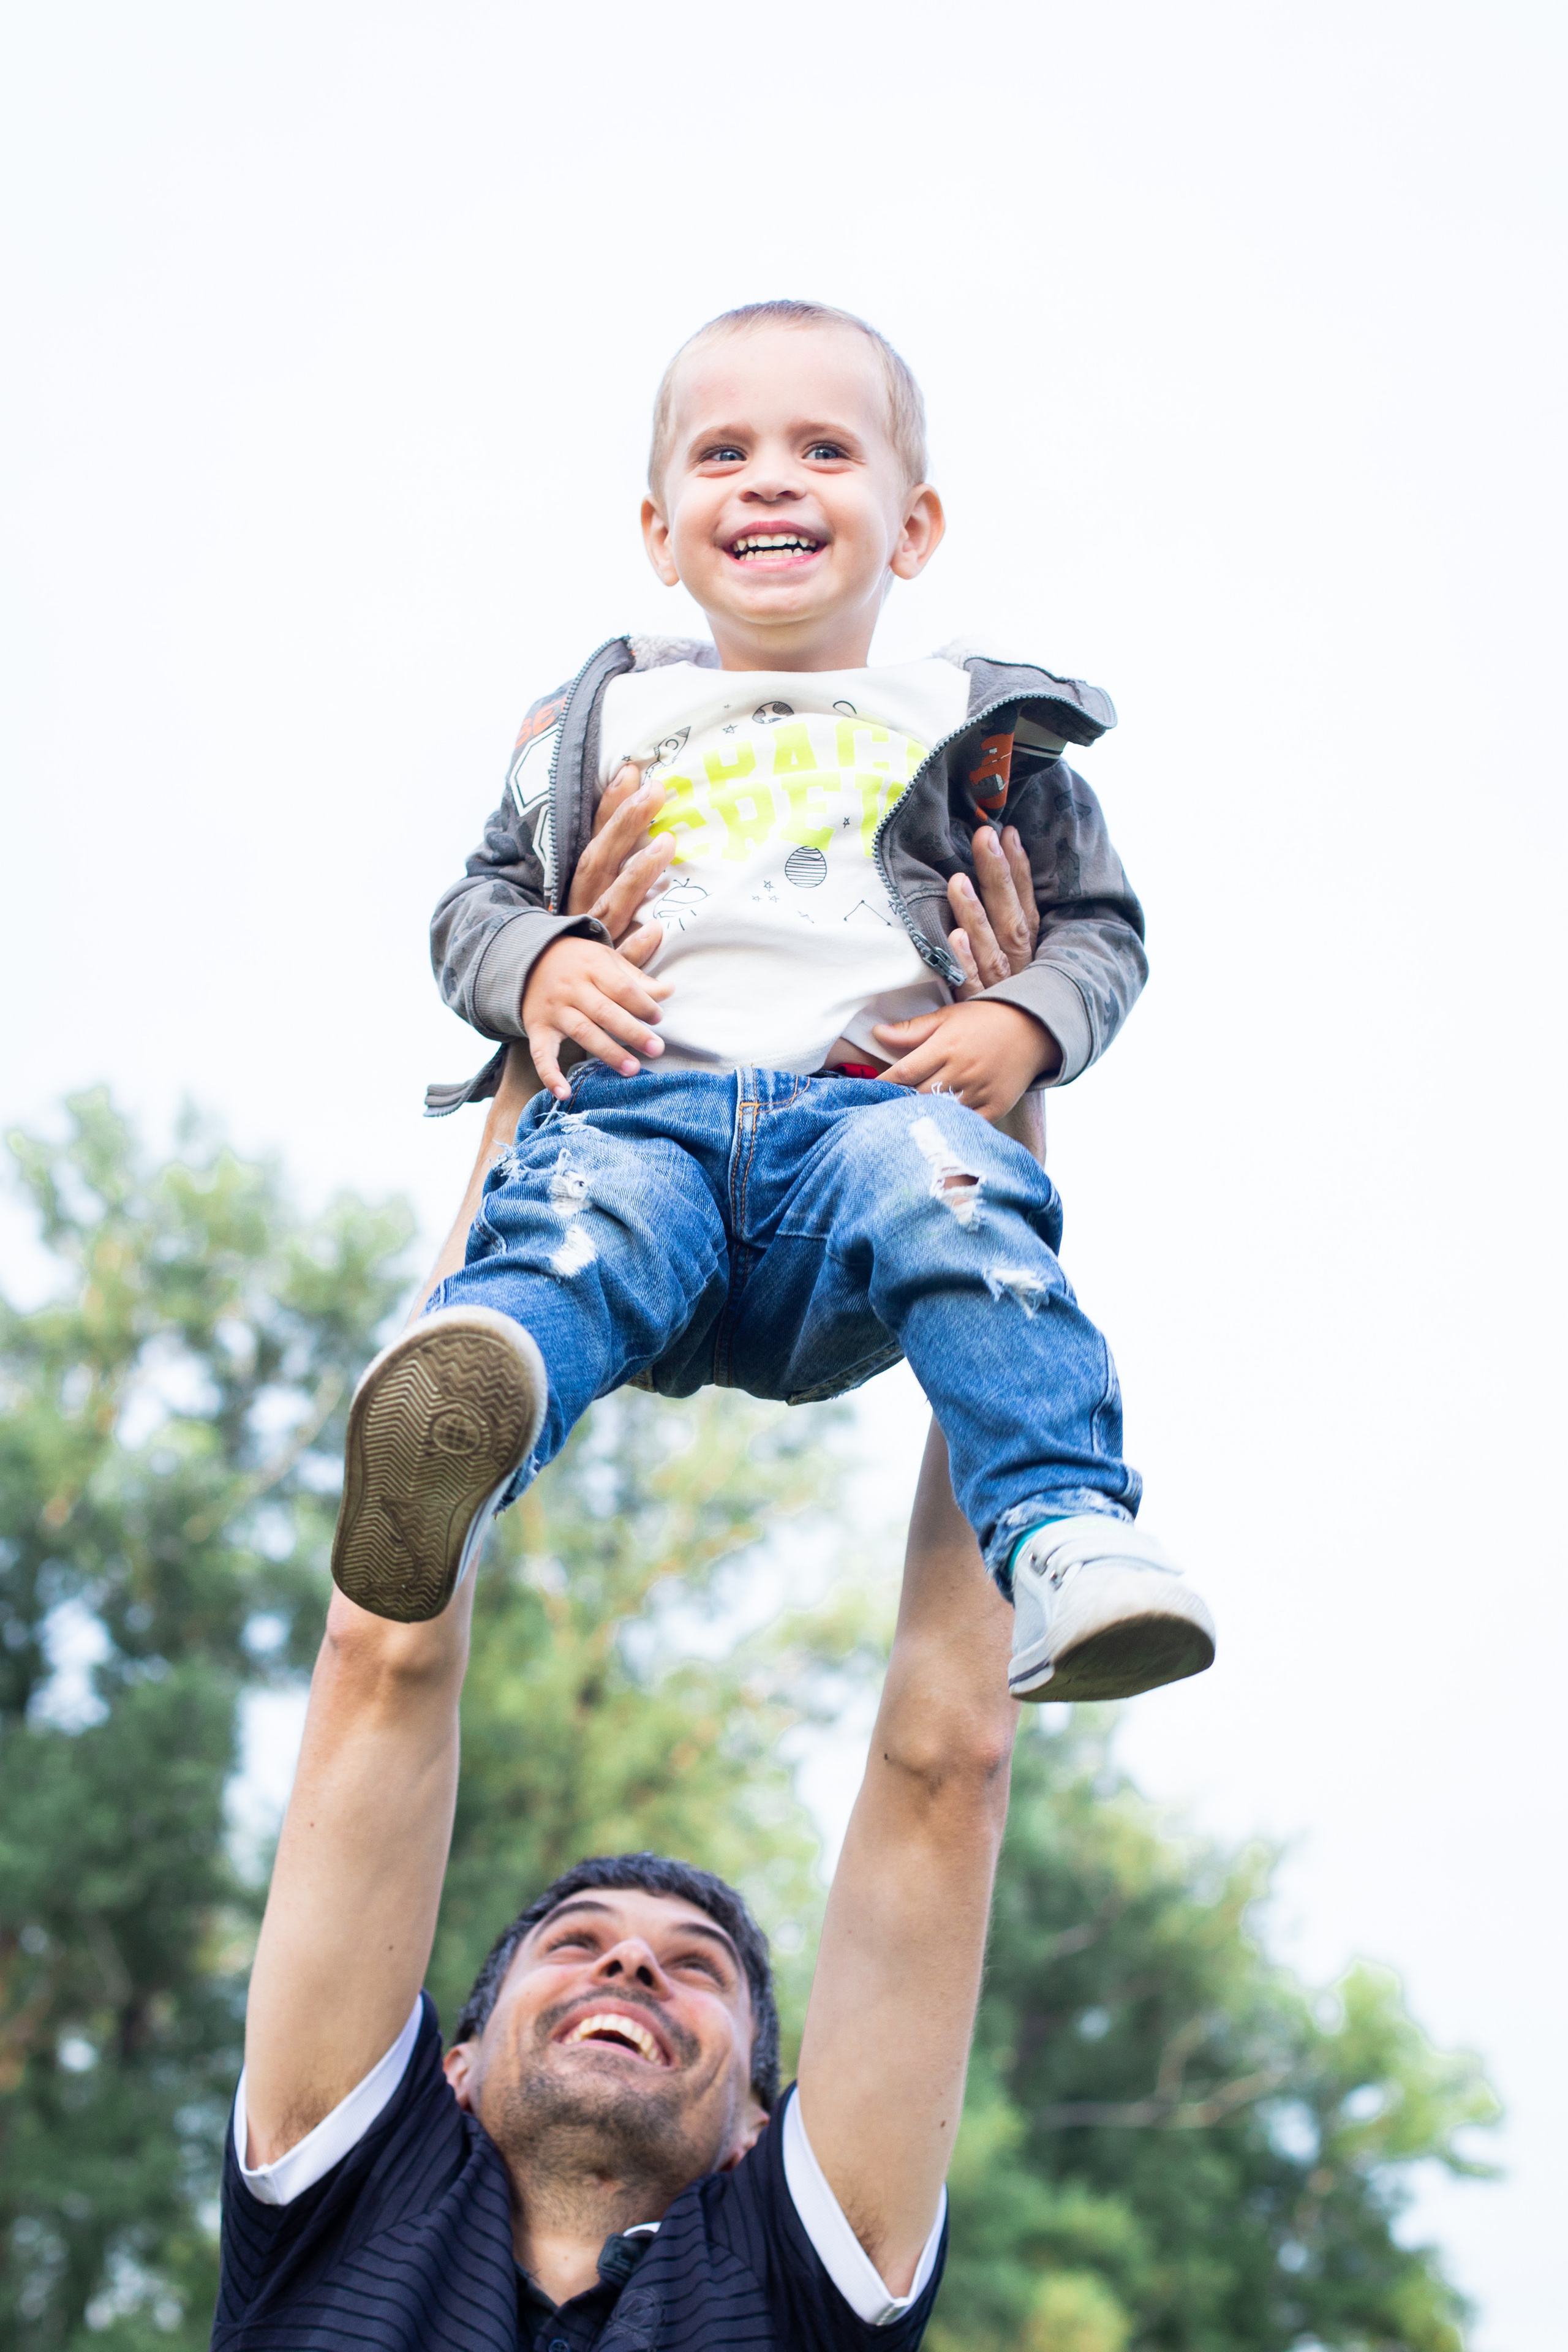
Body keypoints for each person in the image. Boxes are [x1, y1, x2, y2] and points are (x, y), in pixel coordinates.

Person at [331, 298, 1215, 1706]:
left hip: (858, 1138)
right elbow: (472, 910)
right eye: (723, 453)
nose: (769, 479)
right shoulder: (597, 724)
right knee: (573, 1236)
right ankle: (461, 1443)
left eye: (823, 450)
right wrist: (544, 961)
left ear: (910, 528)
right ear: (659, 530)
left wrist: (1026, 1023)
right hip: (640, 1120)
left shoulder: (976, 728)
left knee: (952, 1202)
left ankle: (1063, 1530)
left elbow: (1097, 928)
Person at [216, 1428, 1017, 2350]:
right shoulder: (342, 2208)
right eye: (573, 1942)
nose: (633, 1960)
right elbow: (382, 1656)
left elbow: (946, 1775)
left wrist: (987, 1318)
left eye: (700, 1969)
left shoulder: (796, 2291)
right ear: (456, 2071)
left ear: (756, 2129)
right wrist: (488, 1306)